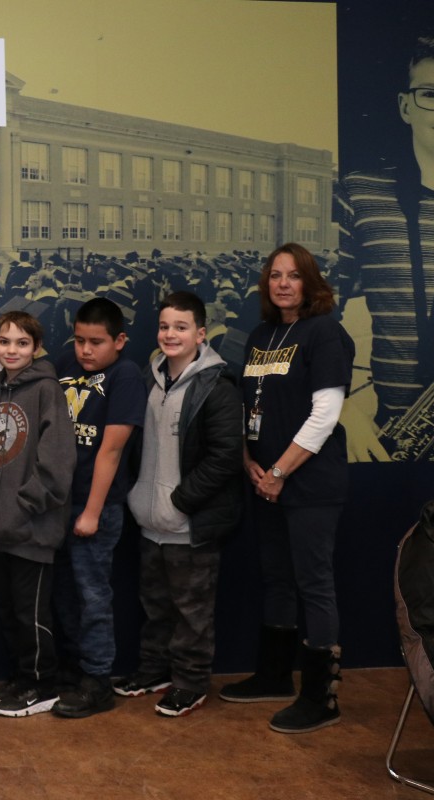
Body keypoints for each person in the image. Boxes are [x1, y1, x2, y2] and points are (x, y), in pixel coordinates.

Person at [220, 243, 354, 734]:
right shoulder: (261, 335)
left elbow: (325, 415)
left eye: (294, 276)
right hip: (264, 480)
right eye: (275, 275)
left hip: (310, 484)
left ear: (311, 283)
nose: (282, 283)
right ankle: (276, 675)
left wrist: (278, 473)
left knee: (312, 583)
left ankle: (322, 697)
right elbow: (244, 407)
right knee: (275, 577)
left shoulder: (325, 333)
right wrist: (249, 461)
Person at [336, 23, 434, 461]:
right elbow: (312, 318)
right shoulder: (357, 193)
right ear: (405, 106)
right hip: (385, 438)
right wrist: (338, 405)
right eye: (432, 94)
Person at [122, 291, 243, 718]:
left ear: (201, 333)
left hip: (191, 524)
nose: (170, 334)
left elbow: (225, 457)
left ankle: (190, 683)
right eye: (164, 326)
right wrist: (140, 497)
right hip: (149, 520)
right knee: (155, 605)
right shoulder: (149, 378)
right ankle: (154, 671)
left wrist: (181, 501)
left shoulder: (218, 386)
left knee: (192, 612)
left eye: (181, 327)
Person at [50, 297, 146, 719]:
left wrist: (91, 511)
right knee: (65, 595)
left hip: (96, 507)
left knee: (93, 595)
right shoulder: (62, 365)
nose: (85, 350)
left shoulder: (125, 376)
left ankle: (98, 679)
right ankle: (72, 669)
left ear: (120, 340)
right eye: (79, 340)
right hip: (59, 505)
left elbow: (111, 451)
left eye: (97, 342)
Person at [0, 310, 76, 717]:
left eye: (21, 343)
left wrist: (25, 506)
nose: (11, 349)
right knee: (8, 611)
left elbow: (57, 462)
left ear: (36, 348)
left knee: (31, 613)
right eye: (4, 341)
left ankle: (43, 684)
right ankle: (22, 677)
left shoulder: (47, 391)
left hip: (32, 529)